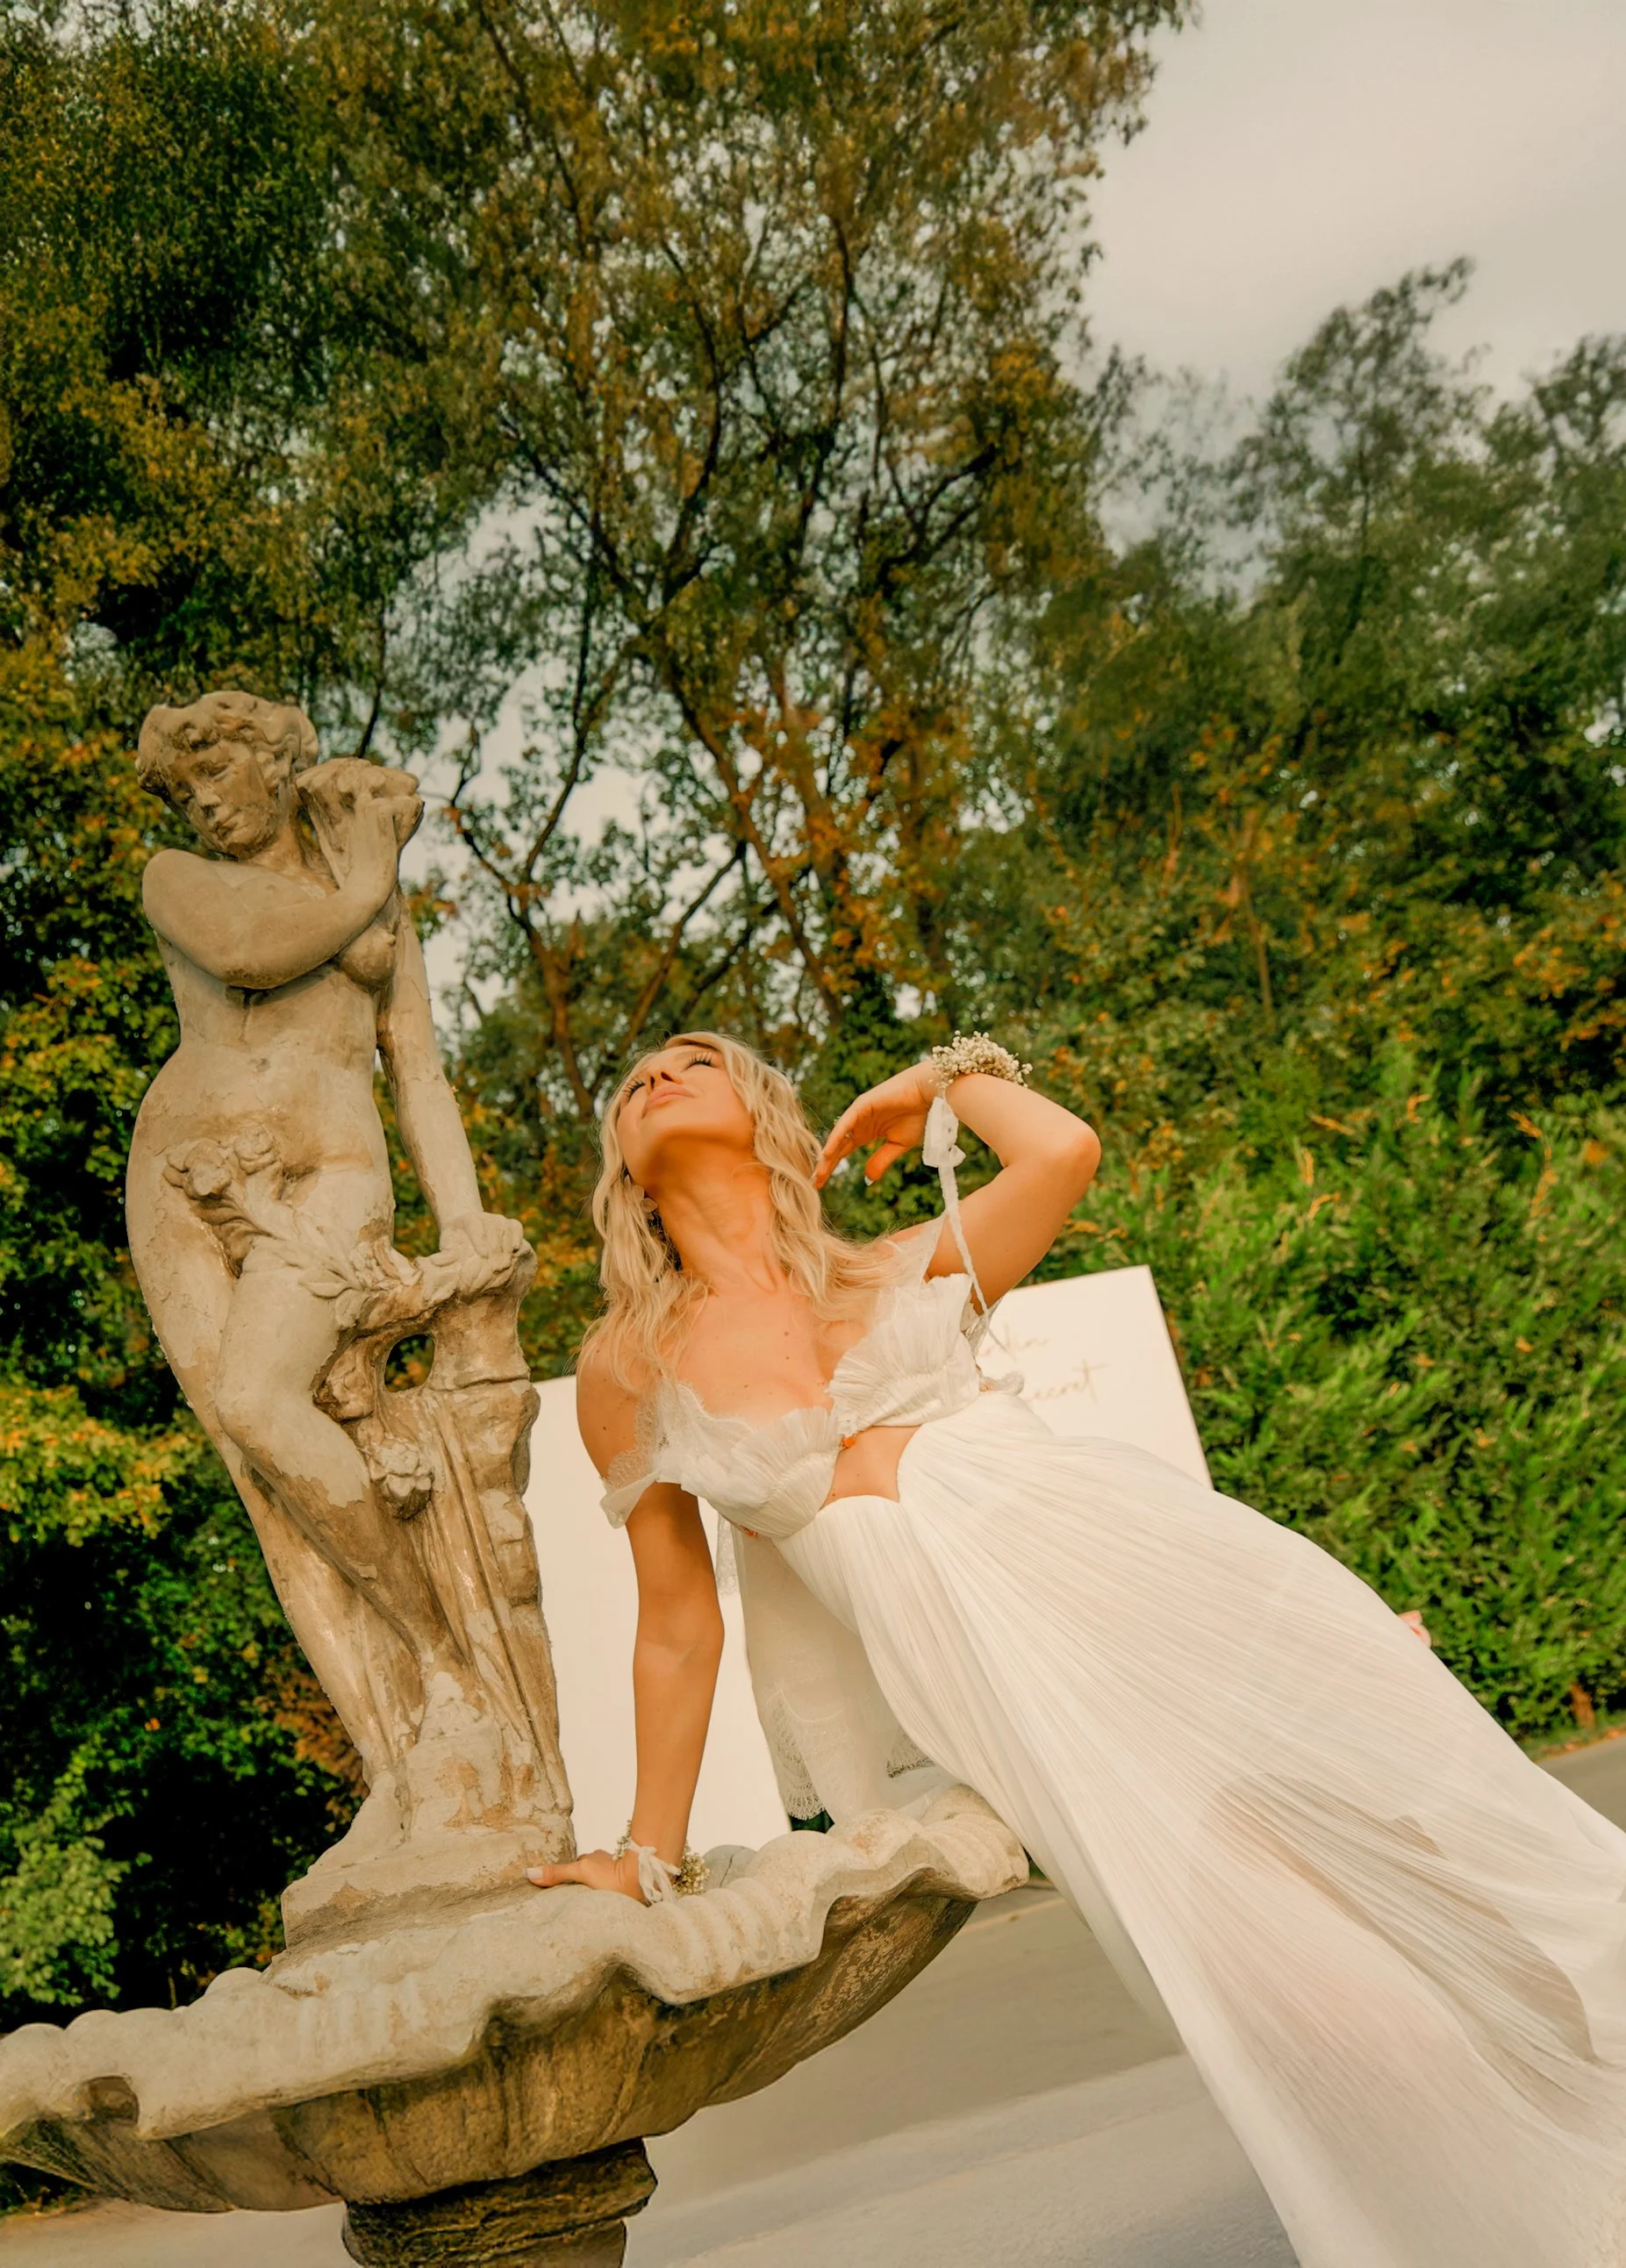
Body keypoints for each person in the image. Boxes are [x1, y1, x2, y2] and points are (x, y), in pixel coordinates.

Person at [531, 1029, 1626, 2268]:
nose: (657, 1077)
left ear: (767, 1114)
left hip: (1156, 1576)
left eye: (694, 1060)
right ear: (623, 1168)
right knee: (1285, 1984)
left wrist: (937, 1083)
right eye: (629, 1084)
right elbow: (679, 1625)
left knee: (1455, 1855)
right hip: (1018, 1684)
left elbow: (1062, 1150)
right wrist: (645, 1855)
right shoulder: (627, 1364)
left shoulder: (899, 1264)